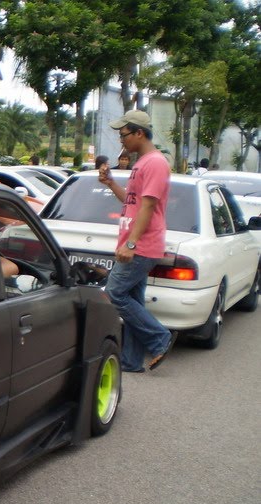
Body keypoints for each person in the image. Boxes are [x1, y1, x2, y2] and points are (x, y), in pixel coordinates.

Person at [99, 109, 175, 373]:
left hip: (141, 245)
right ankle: (131, 361)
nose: (122, 141)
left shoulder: (154, 163)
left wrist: (131, 244)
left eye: (124, 135)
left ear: (139, 133)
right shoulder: (142, 163)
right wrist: (110, 184)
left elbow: (149, 208)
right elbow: (133, 202)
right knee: (133, 300)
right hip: (136, 243)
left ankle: (159, 338)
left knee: (114, 293)